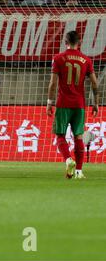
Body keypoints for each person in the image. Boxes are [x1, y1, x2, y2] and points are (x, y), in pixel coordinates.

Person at [46, 30, 99, 179]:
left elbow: (53, 84)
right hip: (79, 105)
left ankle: (69, 160)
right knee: (79, 137)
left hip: (63, 103)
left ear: (65, 42)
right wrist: (96, 103)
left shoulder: (58, 58)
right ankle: (79, 172)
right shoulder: (86, 60)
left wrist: (49, 103)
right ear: (79, 43)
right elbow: (94, 83)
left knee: (60, 135)